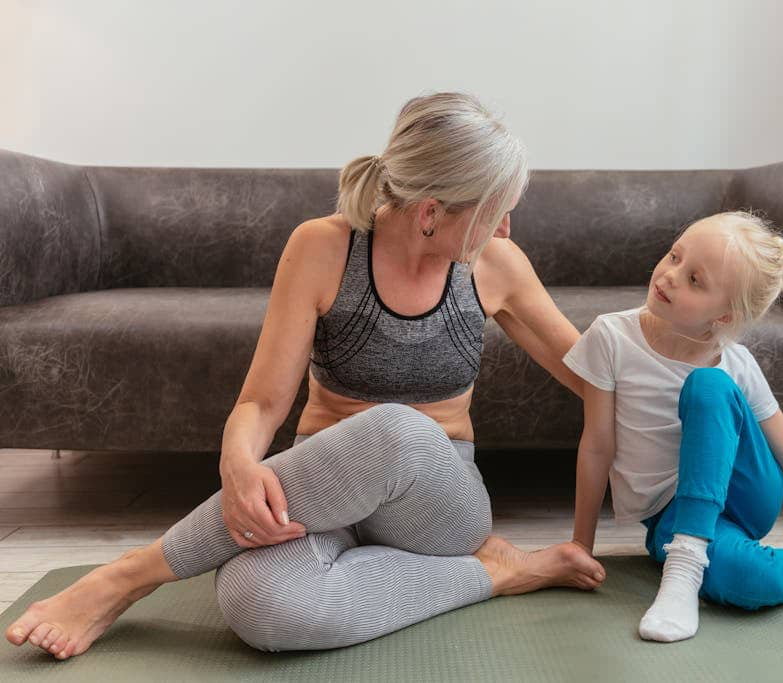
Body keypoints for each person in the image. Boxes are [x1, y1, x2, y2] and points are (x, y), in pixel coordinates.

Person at [5, 92, 604, 659]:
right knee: (257, 603)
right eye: (496, 212)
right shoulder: (322, 247)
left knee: (394, 429)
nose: (505, 229)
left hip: (438, 508)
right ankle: (496, 573)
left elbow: (593, 377)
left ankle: (130, 575)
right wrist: (238, 466)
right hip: (325, 492)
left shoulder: (496, 264)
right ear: (430, 214)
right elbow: (262, 403)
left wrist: (681, 364)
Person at [565, 211, 783, 643]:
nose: (670, 275)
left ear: (722, 317)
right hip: (669, 512)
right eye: (674, 256)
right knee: (751, 583)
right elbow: (597, 446)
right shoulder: (611, 337)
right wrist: (580, 545)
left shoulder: (735, 363)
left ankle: (685, 565)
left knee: (708, 385)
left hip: (746, 494)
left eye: (695, 280)